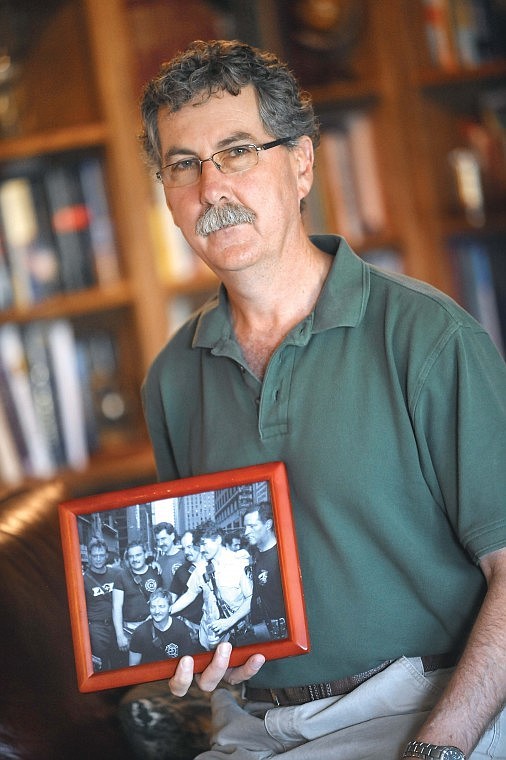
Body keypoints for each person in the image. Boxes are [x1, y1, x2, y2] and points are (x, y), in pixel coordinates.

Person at [139, 39, 506, 760]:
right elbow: (203, 584)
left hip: (422, 707)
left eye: (238, 151)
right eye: (183, 164)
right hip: (251, 729)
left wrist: (443, 744)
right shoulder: (171, 378)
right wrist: (199, 654)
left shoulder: (426, 337)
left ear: (301, 164)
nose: (212, 188)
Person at [170, 520, 253, 651]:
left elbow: (250, 598)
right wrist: (168, 611)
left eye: (204, 544)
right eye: (199, 545)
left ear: (218, 539)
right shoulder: (202, 568)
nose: (201, 550)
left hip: (234, 635)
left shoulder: (239, 563)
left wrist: (229, 622)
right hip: (208, 635)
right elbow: (190, 594)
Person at [243, 502, 286, 643]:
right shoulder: (255, 555)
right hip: (259, 632)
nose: (246, 532)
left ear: (268, 525)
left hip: (278, 637)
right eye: (245, 527)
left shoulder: (282, 557)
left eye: (252, 526)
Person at [112, 541, 163, 655]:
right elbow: (116, 607)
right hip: (130, 630)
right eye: (131, 556)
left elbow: (162, 600)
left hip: (153, 627)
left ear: (145, 555)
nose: (135, 559)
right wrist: (120, 635)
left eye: (138, 555)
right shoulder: (121, 577)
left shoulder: (155, 572)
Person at [83, 537, 122, 671]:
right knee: (101, 667)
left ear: (106, 556)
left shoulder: (117, 573)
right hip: (97, 629)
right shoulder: (83, 579)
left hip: (118, 626)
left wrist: (153, 567)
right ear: (89, 556)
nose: (98, 559)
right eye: (95, 556)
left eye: (101, 555)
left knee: (121, 663)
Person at [129, 588, 196, 665]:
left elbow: (188, 661)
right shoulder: (140, 632)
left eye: (161, 606)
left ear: (170, 608)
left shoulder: (180, 628)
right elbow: (133, 667)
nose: (157, 611)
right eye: (153, 607)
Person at [170, 529, 205, 639]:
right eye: (184, 548)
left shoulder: (215, 565)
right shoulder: (181, 571)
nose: (186, 552)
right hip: (192, 627)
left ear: (199, 544)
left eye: (189, 547)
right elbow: (172, 596)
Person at [153, 521, 185, 589]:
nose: (160, 543)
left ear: (172, 536)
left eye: (163, 539)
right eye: (158, 540)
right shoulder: (159, 562)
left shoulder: (185, 557)